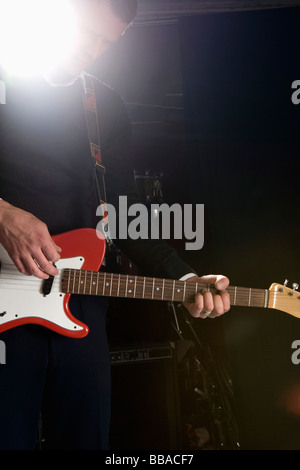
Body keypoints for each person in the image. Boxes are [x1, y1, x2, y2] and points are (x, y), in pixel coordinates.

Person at [0, 0, 230, 450]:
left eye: (107, 41)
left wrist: (183, 277)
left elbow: (121, 214)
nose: (92, 49)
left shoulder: (103, 105)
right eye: (86, 32)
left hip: (81, 301)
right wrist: (4, 214)